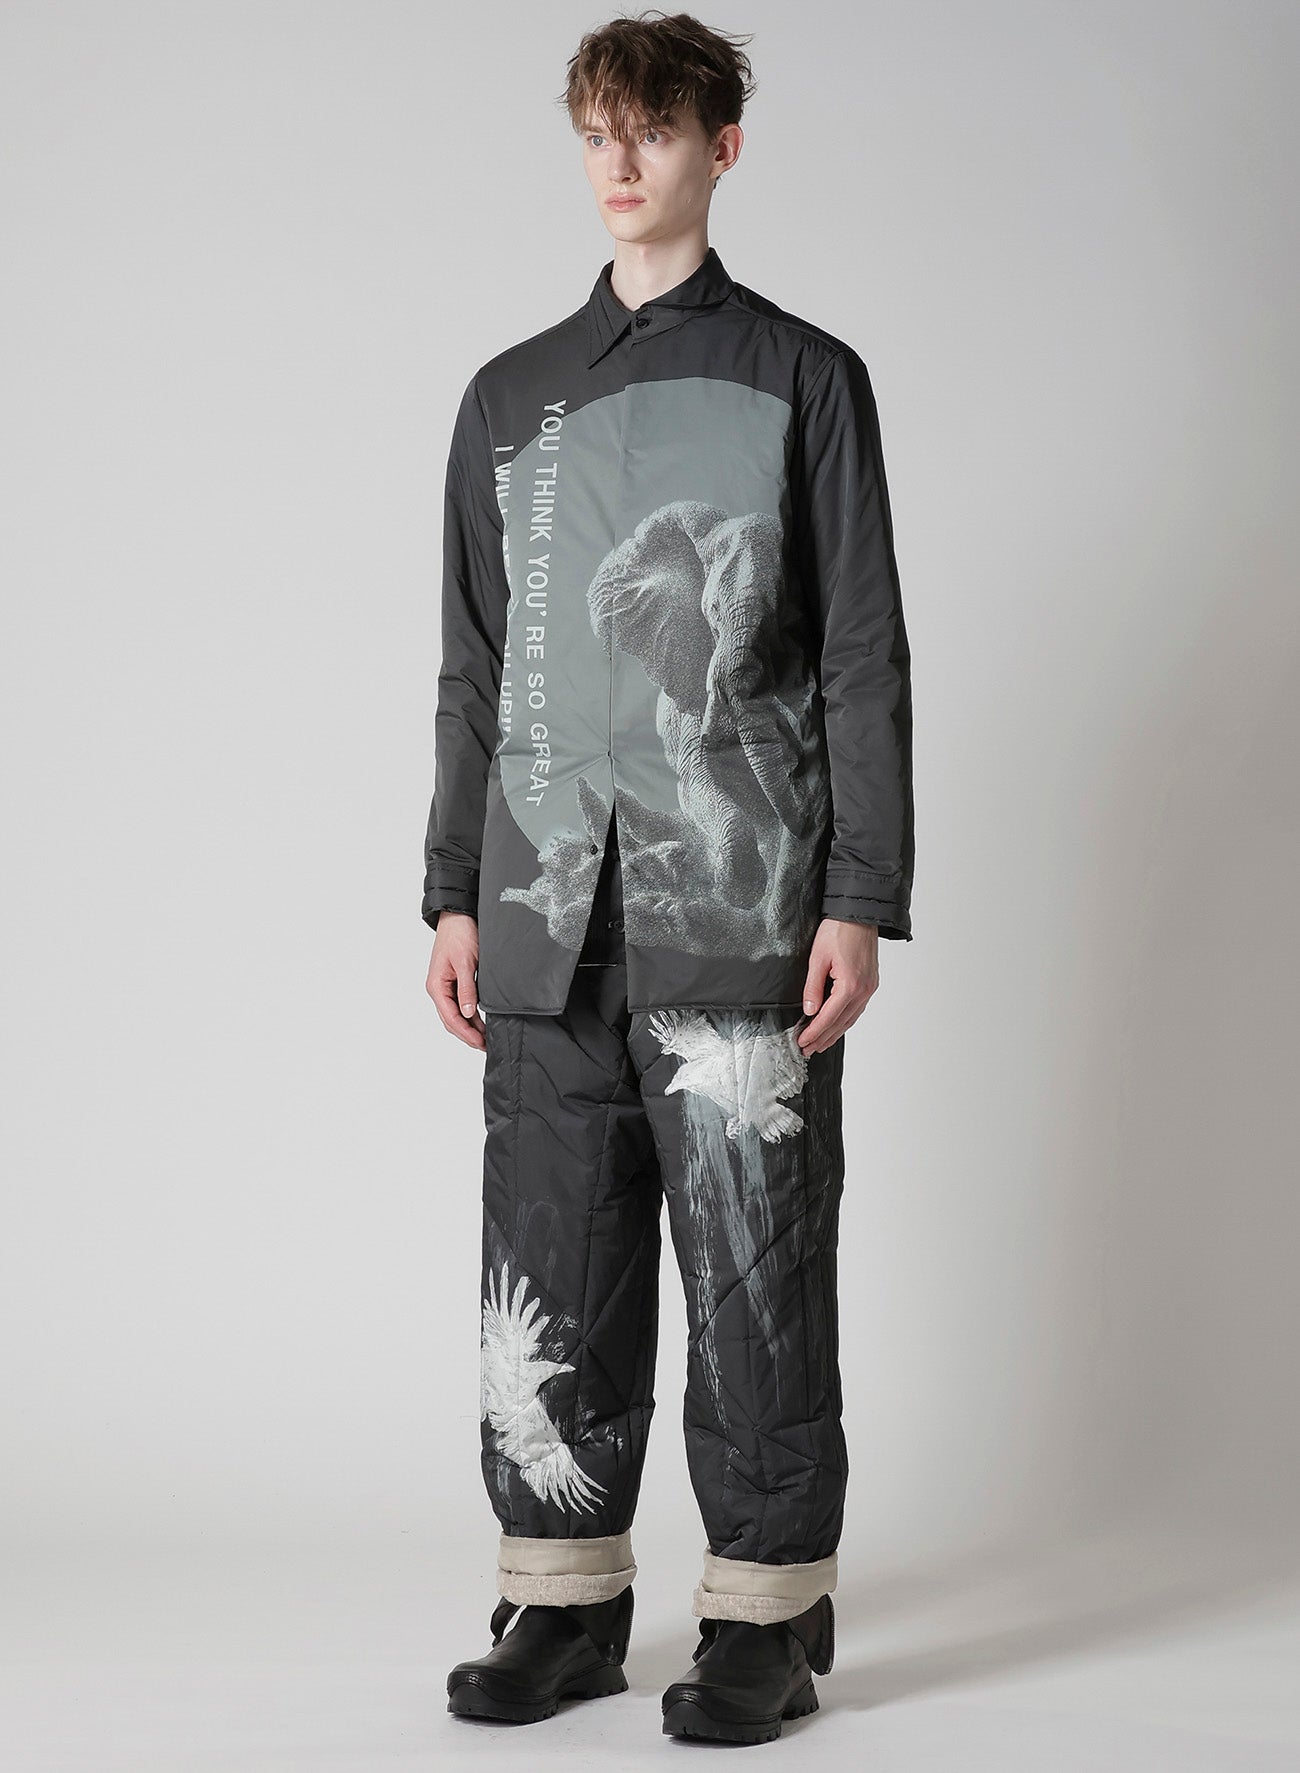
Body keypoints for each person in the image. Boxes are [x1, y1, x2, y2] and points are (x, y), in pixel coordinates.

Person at [422, 9, 914, 1745]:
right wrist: (452, 888)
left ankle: (767, 1613)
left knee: (758, 1263)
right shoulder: (509, 399)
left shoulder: (803, 379)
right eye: (599, 132)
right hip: (545, 916)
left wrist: (861, 890)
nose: (622, 161)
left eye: (655, 128)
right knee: (554, 1252)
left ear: (722, 146)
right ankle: (561, 1602)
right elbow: (475, 668)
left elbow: (858, 653)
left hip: (743, 905)